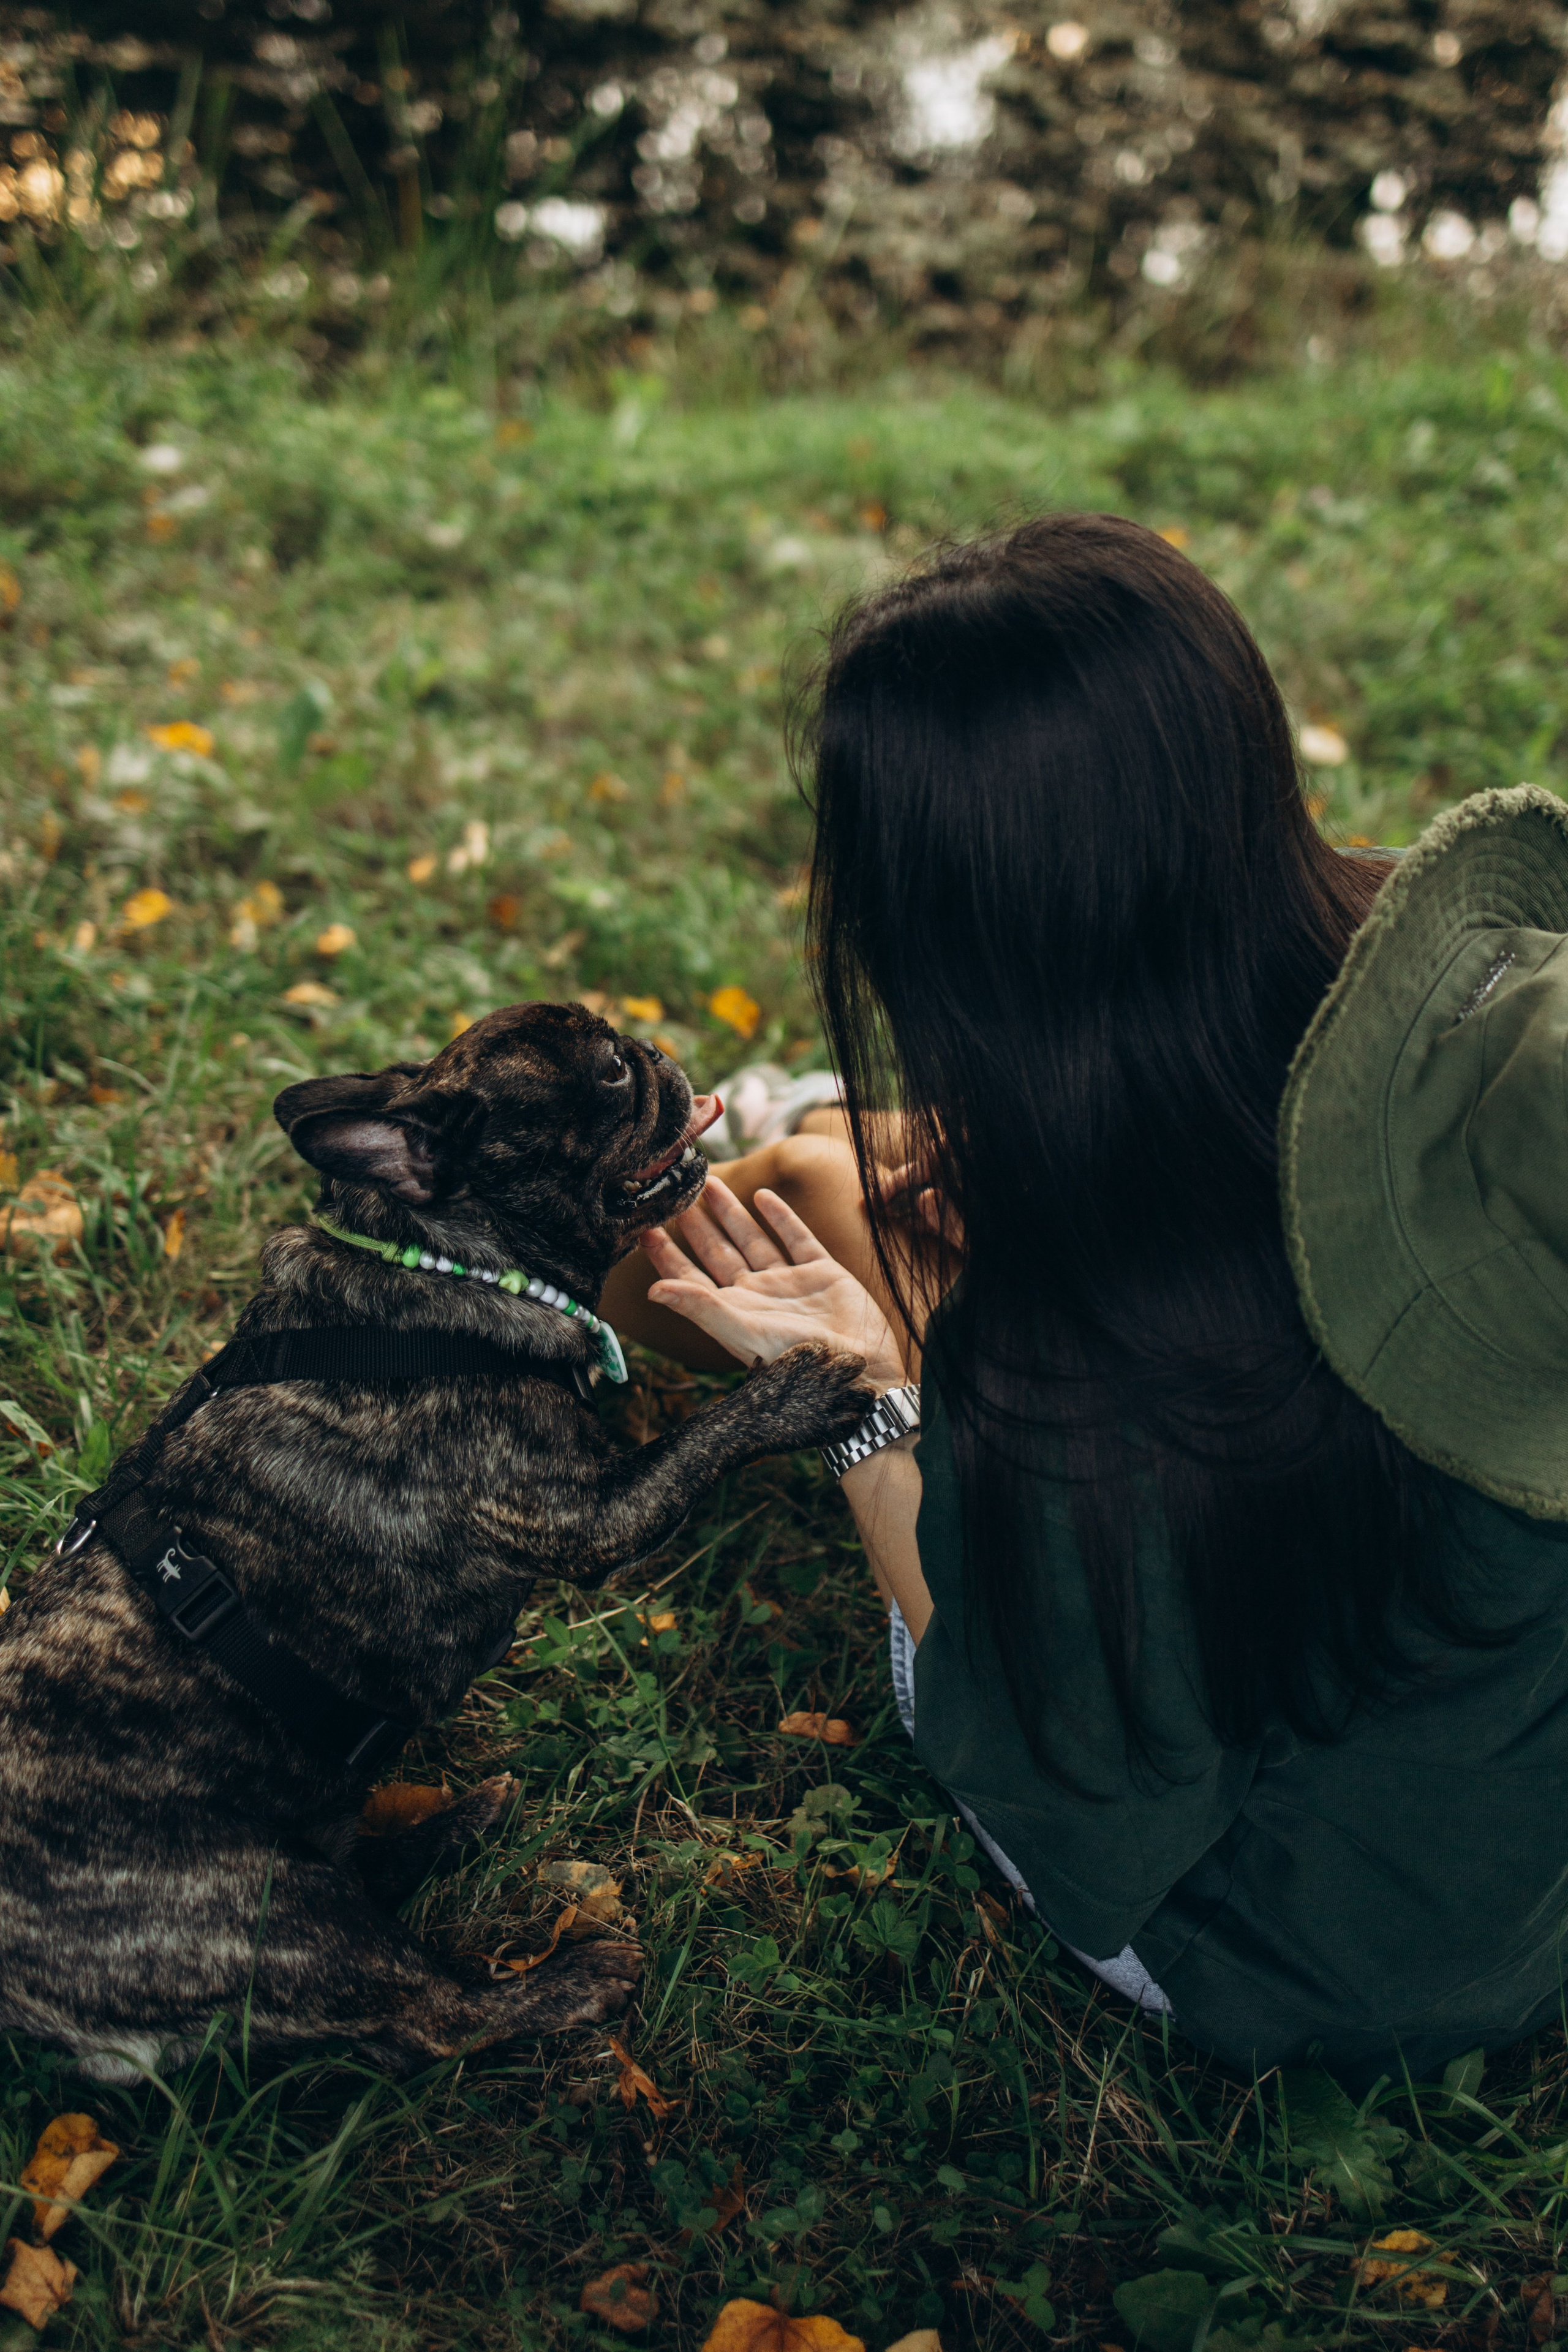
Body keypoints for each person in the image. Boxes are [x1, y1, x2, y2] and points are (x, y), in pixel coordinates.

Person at [598, 513, 1568, 2086]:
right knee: (849, 1170)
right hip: (1510, 1871)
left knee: (811, 1203)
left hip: (1284, 1955)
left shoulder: (1088, 1376)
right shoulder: (1480, 1057)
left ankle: (701, 1220)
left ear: (940, 934)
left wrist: (862, 1411)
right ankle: (844, 1145)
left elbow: (1072, 1777)